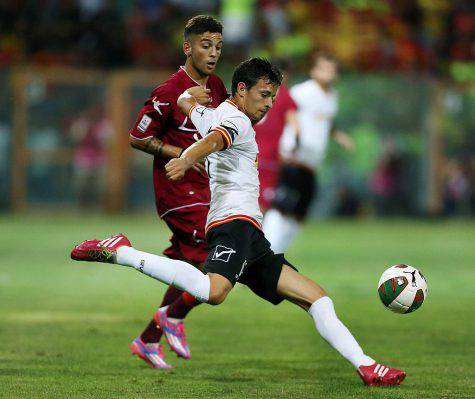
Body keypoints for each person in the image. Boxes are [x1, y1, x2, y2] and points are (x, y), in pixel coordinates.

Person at [71, 58, 406, 386]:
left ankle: (366, 366)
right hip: (235, 223)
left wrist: (188, 99)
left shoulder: (217, 114)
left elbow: (194, 111)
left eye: (273, 97)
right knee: (214, 291)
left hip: (249, 233)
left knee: (316, 298)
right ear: (242, 89)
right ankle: (123, 253)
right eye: (264, 95)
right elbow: (216, 140)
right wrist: (187, 158)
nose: (269, 105)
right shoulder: (237, 122)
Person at [127, 15, 228, 368]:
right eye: (205, 45)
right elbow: (138, 137)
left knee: (191, 266)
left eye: (218, 46)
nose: (213, 53)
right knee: (216, 259)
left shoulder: (216, 86)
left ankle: (148, 339)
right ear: (187, 47)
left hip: (208, 190)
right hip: (178, 192)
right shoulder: (168, 91)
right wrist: (182, 155)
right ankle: (173, 318)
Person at [262, 51, 354, 254]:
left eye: (332, 69)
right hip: (293, 158)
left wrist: (339, 136)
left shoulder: (332, 97)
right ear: (313, 71)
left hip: (311, 163)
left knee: (299, 213)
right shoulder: (302, 92)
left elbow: (324, 123)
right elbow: (282, 112)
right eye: (324, 68)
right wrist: (291, 139)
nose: (329, 72)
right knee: (281, 207)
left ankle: (275, 257)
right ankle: (263, 253)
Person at [254, 69, 297, 212]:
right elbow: (295, 128)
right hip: (269, 159)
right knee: (260, 208)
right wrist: (292, 149)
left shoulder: (254, 90)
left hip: (247, 155)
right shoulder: (284, 94)